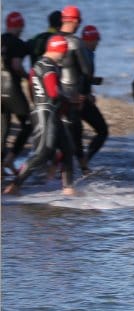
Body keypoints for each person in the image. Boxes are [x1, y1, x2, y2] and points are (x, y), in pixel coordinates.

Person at [4, 35, 76, 195]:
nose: (64, 57)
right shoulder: (50, 67)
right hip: (47, 112)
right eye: (64, 53)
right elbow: (53, 92)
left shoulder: (38, 64)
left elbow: (31, 87)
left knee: (67, 148)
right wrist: (68, 98)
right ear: (60, 50)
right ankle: (15, 185)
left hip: (44, 110)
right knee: (43, 151)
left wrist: (38, 105)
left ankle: (69, 188)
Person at [53, 6, 91, 173]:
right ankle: (79, 168)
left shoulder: (52, 39)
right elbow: (87, 71)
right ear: (75, 21)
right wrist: (84, 94)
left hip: (54, 91)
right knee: (75, 131)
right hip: (73, 92)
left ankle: (53, 169)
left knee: (57, 130)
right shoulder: (76, 42)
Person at [2, 12, 33, 173]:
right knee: (28, 123)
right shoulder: (18, 43)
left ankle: (2, 166)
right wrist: (28, 77)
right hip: (11, 88)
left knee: (4, 128)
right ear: (20, 26)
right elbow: (16, 65)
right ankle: (10, 158)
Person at [78, 25, 109, 166]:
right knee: (102, 130)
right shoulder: (83, 52)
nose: (98, 43)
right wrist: (85, 94)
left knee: (72, 134)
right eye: (96, 40)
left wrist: (90, 90)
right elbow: (78, 76)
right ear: (89, 39)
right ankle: (83, 162)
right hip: (78, 99)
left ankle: (82, 161)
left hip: (81, 97)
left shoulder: (88, 52)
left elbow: (84, 76)